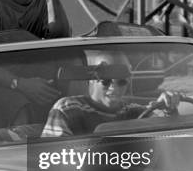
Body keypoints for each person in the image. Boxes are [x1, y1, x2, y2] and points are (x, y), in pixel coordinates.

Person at [42, 50, 181, 138]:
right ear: (91, 80)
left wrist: (169, 110)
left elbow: (169, 145)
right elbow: (52, 160)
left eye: (121, 82)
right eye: (106, 81)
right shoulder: (68, 109)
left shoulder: (136, 112)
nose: (114, 88)